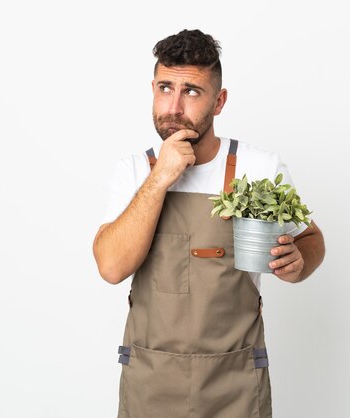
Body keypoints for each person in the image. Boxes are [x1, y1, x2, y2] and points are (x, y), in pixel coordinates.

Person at [92, 29, 325, 418]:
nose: (175, 106)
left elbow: (312, 238)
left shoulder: (259, 168)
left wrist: (299, 261)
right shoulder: (133, 172)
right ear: (152, 88)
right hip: (151, 384)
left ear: (219, 101)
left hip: (235, 386)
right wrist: (160, 178)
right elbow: (111, 267)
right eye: (166, 88)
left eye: (192, 92)